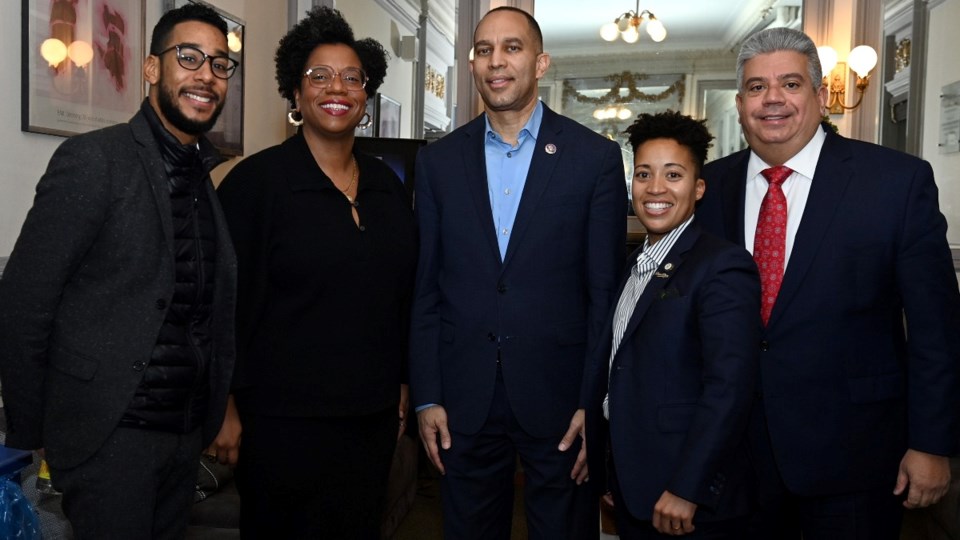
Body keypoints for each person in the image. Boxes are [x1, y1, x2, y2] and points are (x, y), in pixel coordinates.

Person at [696, 26, 960, 540]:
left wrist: (931, 444)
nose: (772, 99)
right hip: (732, 459)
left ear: (820, 96)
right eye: (756, 87)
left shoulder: (895, 183)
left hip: (854, 458)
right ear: (739, 101)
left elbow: (937, 329)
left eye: (790, 84)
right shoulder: (708, 187)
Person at [0, 3, 238, 538]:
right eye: (190, 57)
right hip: (108, 437)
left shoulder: (203, 180)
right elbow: (24, 297)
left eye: (220, 64)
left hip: (181, 437)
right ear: (152, 69)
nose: (206, 74)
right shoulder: (94, 160)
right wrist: (35, 429)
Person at [410, 6, 627, 539]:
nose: (496, 62)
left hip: (560, 402)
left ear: (541, 62)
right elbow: (426, 289)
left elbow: (604, 295)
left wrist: (591, 400)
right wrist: (427, 394)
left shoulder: (593, 158)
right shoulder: (438, 163)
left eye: (511, 48)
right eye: (484, 50)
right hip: (464, 397)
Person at [215, 6, 416, 539]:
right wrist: (225, 406)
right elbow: (221, 305)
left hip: (369, 422)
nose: (338, 88)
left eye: (353, 78)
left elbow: (399, 297)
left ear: (365, 97)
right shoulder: (255, 186)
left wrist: (399, 380)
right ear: (295, 94)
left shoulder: (387, 189)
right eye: (319, 76)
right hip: (281, 424)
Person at [584, 111, 760, 539]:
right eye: (643, 174)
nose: (656, 188)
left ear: (698, 188)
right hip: (634, 484)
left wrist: (687, 487)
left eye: (673, 174)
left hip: (683, 499)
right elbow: (621, 373)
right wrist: (613, 472)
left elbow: (729, 389)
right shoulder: (636, 264)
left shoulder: (722, 265)